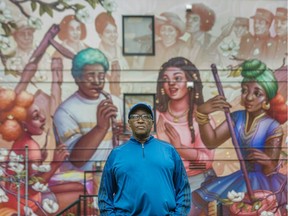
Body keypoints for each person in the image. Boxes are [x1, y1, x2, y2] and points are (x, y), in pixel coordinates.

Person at [191, 59, 287, 215]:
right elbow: (211, 141)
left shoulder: (272, 126)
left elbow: (271, 167)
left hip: (264, 183)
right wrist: (203, 114)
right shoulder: (236, 118)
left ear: (267, 100)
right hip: (240, 178)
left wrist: (266, 160)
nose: (249, 97)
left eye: (257, 93)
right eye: (244, 90)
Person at [98, 102, 191, 215]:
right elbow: (104, 195)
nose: (140, 120)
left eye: (146, 117)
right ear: (129, 123)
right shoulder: (116, 154)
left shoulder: (169, 151)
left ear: (152, 123)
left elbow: (183, 189)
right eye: (135, 117)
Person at [1, 90, 83, 215]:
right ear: (24, 125)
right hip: (28, 206)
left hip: (17, 198)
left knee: (78, 186)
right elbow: (33, 188)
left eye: (40, 113)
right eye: (36, 117)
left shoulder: (21, 142)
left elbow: (27, 178)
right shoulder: (32, 147)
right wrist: (55, 163)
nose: (43, 118)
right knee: (81, 195)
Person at [53, 48, 124, 172]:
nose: (97, 82)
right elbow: (76, 160)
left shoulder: (117, 102)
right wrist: (100, 128)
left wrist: (128, 136)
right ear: (77, 78)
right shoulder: (65, 112)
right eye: (91, 76)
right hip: (79, 182)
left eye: (101, 76)